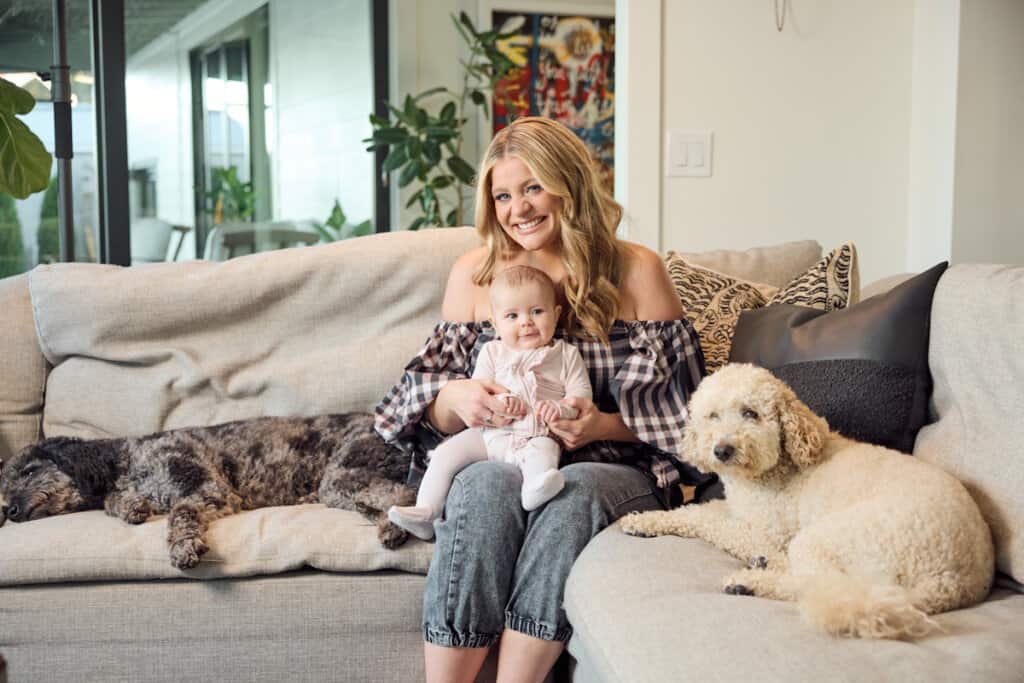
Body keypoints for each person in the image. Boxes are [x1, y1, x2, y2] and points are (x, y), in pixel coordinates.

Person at [375, 116, 714, 683]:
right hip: (505, 452)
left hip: (614, 470)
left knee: (572, 490)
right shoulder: (476, 276)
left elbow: (692, 421)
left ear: (570, 184)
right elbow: (417, 409)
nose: (519, 209)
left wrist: (603, 425)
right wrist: (456, 398)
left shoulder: (637, 271)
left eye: (533, 187)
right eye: (503, 195)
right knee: (481, 483)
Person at [387, 265, 593, 540]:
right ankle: (427, 510)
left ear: (556, 315)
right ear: (496, 324)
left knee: (543, 455)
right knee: (446, 454)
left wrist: (560, 408)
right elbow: (481, 389)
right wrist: (501, 402)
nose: (526, 322)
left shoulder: (566, 355)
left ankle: (534, 489)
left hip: (535, 433)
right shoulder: (492, 351)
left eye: (537, 312)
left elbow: (582, 395)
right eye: (512, 315)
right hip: (489, 435)